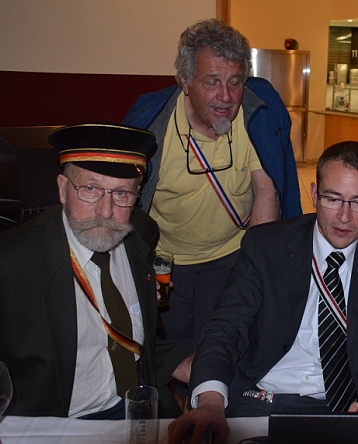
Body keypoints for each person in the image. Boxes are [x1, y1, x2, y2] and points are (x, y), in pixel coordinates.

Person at [167, 141, 358, 443]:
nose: (344, 217)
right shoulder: (266, 246)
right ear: (314, 194)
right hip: (262, 398)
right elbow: (226, 328)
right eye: (333, 199)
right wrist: (210, 402)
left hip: (348, 407)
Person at [0, 124, 191, 419]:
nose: (106, 211)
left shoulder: (140, 233)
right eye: (90, 189)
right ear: (62, 189)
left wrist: (180, 363)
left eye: (121, 193)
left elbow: (131, 331)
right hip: (58, 423)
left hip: (140, 404)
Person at [122, 19, 302, 355]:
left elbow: (267, 191)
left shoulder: (256, 114)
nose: (226, 97)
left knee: (224, 345)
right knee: (178, 350)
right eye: (212, 82)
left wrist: (256, 270)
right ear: (185, 80)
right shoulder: (152, 127)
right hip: (170, 262)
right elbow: (126, 202)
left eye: (235, 82)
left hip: (232, 254)